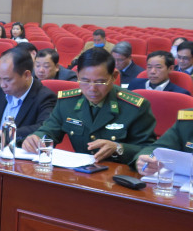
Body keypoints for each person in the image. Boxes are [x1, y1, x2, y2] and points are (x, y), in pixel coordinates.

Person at [24, 48, 156, 164]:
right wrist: (36, 138)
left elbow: (149, 149)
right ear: (77, 76)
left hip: (119, 175)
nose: (92, 89)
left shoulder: (134, 106)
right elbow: (48, 131)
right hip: (79, 174)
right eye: (85, 81)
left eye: (100, 82)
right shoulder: (67, 102)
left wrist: (119, 148)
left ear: (114, 77)